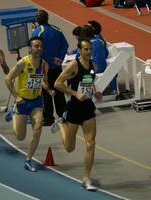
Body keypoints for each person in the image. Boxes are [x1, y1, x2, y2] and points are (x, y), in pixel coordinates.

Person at [51, 39, 102, 191]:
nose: (89, 51)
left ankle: (86, 178)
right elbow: (57, 84)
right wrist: (75, 93)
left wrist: (95, 92)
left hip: (87, 108)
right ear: (79, 50)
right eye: (86, 49)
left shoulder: (94, 66)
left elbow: (89, 80)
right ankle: (61, 124)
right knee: (69, 147)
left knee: (90, 143)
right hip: (74, 108)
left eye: (90, 49)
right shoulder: (73, 65)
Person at [5, 36, 54, 171]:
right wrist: (16, 96)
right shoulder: (23, 63)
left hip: (36, 102)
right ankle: (13, 110)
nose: (38, 48)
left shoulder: (44, 65)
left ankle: (28, 160)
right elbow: (8, 79)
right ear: (30, 49)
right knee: (20, 136)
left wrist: (48, 89)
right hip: (22, 102)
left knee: (38, 129)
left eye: (40, 46)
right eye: (36, 46)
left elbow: (42, 80)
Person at [31, 9, 68, 126]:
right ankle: (62, 115)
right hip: (57, 66)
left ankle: (48, 118)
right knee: (59, 91)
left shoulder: (37, 32)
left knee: (46, 93)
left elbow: (35, 49)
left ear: (37, 20)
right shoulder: (57, 29)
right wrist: (59, 58)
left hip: (43, 67)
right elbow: (65, 44)